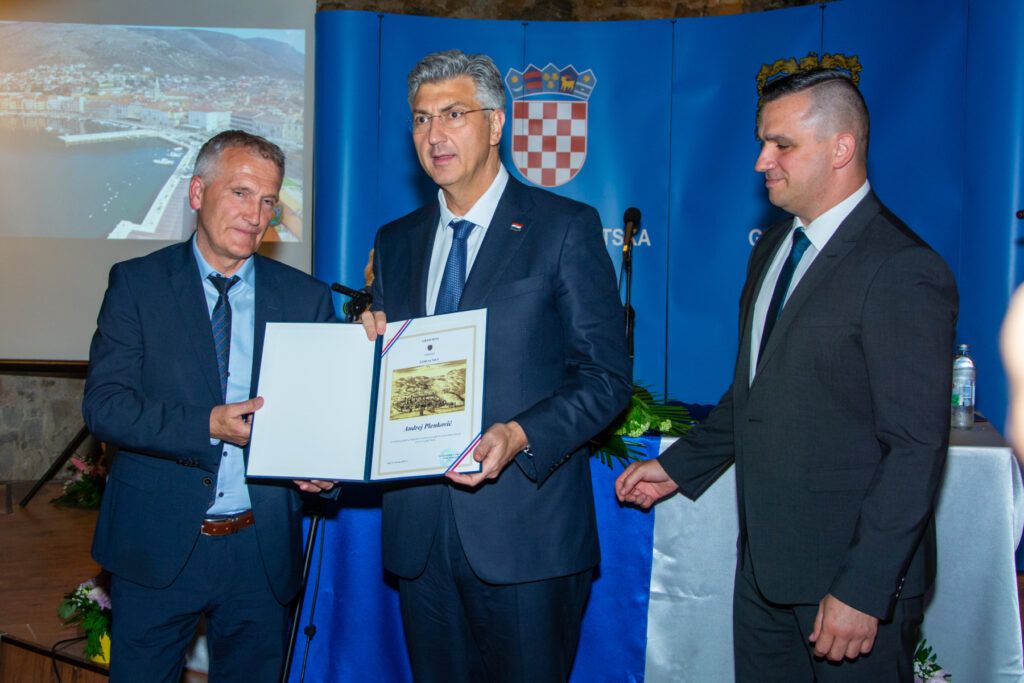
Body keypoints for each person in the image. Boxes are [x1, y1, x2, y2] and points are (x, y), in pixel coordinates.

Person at [616, 69, 958, 682]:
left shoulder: (903, 268)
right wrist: (677, 468)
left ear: (841, 149)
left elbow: (915, 448)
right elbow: (754, 392)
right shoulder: (772, 249)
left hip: (847, 588)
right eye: (762, 142)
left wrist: (863, 589)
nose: (761, 162)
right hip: (764, 575)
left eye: (782, 145)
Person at [359, 49, 632, 682]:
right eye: (421, 119)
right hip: (421, 538)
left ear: (496, 123)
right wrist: (365, 352)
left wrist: (520, 434)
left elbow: (605, 378)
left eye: (453, 114)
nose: (435, 134)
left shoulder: (564, 227)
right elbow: (389, 376)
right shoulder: (394, 241)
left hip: (526, 538)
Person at [83, 130, 336, 682]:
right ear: (198, 192)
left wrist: (324, 468)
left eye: (268, 201)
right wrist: (209, 425)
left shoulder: (307, 298)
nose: (256, 215)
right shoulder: (137, 285)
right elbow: (105, 406)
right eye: (241, 193)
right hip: (155, 544)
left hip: (260, 549)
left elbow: (324, 418)